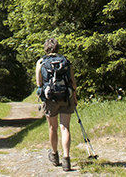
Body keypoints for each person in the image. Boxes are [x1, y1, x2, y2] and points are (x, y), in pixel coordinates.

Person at [36, 38, 77, 171]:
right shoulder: (66, 61)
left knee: (52, 128)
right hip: (66, 97)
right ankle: (66, 159)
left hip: (50, 99)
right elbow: (72, 82)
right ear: (57, 48)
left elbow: (39, 84)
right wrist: (74, 98)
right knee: (65, 127)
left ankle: (54, 155)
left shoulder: (41, 62)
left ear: (45, 48)